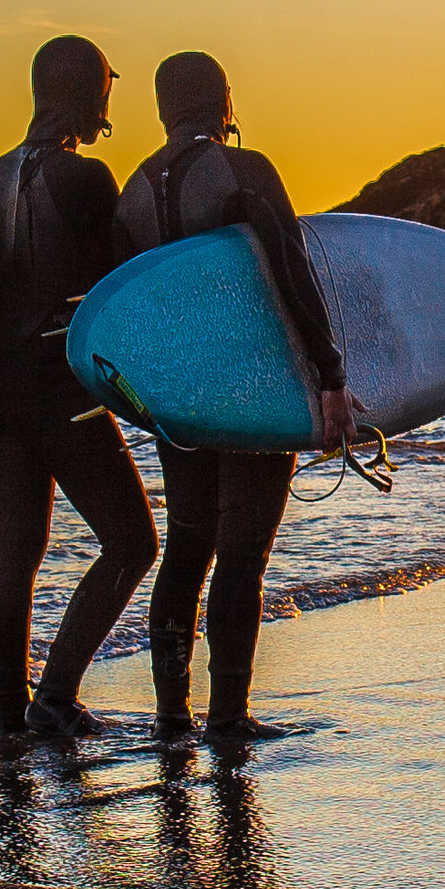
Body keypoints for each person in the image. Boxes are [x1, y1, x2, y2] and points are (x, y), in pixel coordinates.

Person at [114, 50, 359, 743]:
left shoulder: (133, 189)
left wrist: (146, 400)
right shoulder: (243, 171)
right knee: (243, 554)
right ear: (225, 103)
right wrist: (330, 374)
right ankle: (226, 717)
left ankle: (169, 716)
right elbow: (290, 266)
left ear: (164, 108)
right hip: (251, 384)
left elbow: (127, 310)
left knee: (188, 546)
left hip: (177, 395)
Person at [0, 35, 157, 741]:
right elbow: (120, 288)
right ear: (91, 94)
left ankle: (8, 719)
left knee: (13, 551)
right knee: (133, 541)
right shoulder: (86, 179)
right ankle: (54, 698)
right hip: (56, 386)